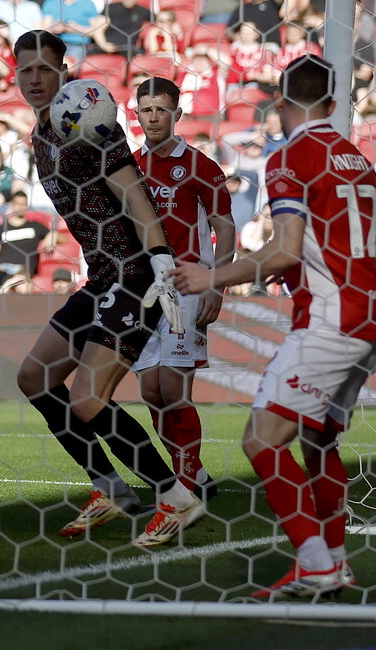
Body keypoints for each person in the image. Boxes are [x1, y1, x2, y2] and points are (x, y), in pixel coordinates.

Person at [173, 56, 376, 598]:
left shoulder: (291, 156)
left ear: (281, 103)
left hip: (327, 321)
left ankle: (315, 562)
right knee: (317, 442)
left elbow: (283, 247)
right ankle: (334, 562)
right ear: (333, 105)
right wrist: (309, 261)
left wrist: (211, 276)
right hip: (369, 321)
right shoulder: (357, 160)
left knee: (262, 442)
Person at [11, 30, 202, 547]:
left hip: (136, 275)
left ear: (63, 69)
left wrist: (162, 262)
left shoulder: (88, 117)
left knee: (87, 402)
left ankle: (176, 497)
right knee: (34, 377)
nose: (34, 79)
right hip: (101, 276)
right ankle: (111, 489)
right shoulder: (40, 135)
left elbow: (135, 196)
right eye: (25, 69)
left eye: (44, 69)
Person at [132, 78, 236, 502]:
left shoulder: (199, 165)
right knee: (151, 392)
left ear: (177, 113)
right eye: (145, 110)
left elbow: (224, 228)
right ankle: (193, 475)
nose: (153, 117)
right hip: (140, 290)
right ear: (135, 114)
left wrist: (217, 283)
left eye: (161, 109)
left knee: (174, 389)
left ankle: (186, 486)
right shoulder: (129, 166)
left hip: (186, 286)